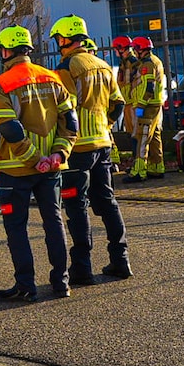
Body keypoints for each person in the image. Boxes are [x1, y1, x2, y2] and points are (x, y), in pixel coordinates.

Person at [0, 25, 78, 302]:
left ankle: (26, 285)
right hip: (51, 169)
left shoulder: (1, 83)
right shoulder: (52, 77)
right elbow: (70, 123)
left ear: (5, 51)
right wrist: (58, 155)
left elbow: (10, 129)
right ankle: (61, 282)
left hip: (17, 169)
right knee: (53, 221)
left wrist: (33, 159)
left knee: (17, 227)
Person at [50, 16, 133, 283]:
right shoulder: (103, 65)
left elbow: (65, 108)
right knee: (108, 202)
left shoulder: (67, 66)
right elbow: (118, 105)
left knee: (76, 206)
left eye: (58, 40)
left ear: (64, 39)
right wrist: (104, 124)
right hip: (103, 144)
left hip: (78, 148)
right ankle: (121, 261)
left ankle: (82, 269)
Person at [124, 36, 166, 183]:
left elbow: (149, 87)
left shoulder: (148, 65)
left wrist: (140, 105)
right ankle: (156, 167)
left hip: (147, 106)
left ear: (140, 49)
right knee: (154, 136)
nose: (134, 52)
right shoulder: (155, 61)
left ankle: (139, 171)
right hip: (154, 105)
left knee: (141, 137)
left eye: (135, 49)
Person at [111, 36, 137, 166]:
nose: (115, 52)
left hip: (133, 103)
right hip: (127, 102)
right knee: (130, 132)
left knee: (135, 133)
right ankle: (136, 159)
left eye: (116, 49)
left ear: (122, 49)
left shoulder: (132, 62)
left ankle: (138, 161)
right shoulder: (124, 62)